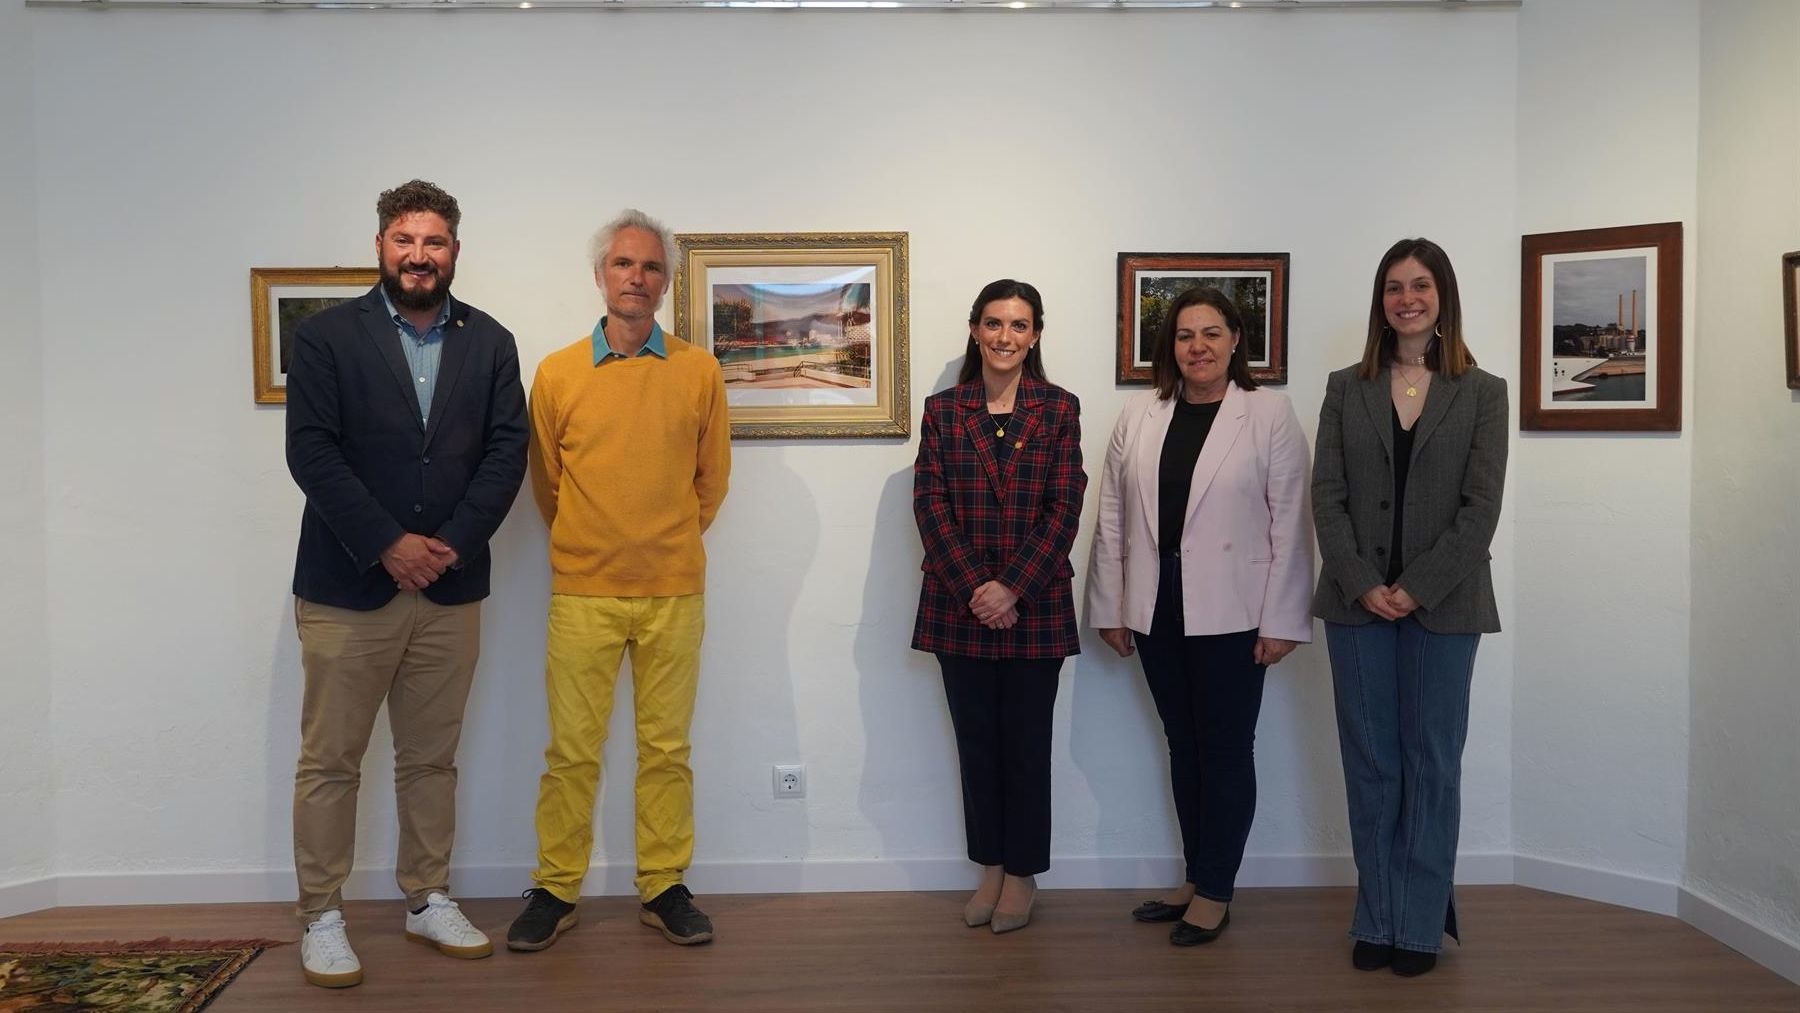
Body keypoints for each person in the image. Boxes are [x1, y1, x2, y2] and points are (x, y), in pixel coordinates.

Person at [285, 179, 528, 988]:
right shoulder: (325, 338)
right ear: (381, 246)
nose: (419, 255)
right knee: (332, 759)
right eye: (404, 239)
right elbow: (312, 453)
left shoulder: (491, 341)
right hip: (348, 584)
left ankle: (427, 897)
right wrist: (389, 543)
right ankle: (321, 914)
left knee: (432, 759)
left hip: (450, 589)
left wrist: (447, 545)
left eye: (434, 241)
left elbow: (506, 455)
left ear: (455, 250)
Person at [508, 209, 731, 952]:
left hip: (674, 590)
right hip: (583, 592)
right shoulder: (558, 372)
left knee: (667, 750)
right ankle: (555, 887)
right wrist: (594, 542)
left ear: (666, 282)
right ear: (600, 275)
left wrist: (661, 538)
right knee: (571, 750)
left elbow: (712, 481)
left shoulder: (698, 371)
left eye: (651, 267)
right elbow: (547, 483)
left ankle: (663, 884)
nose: (637, 278)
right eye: (624, 264)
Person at [1086, 286, 1313, 946]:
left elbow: (1289, 522)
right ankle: (1197, 874)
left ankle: (1216, 888)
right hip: (1157, 611)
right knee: (1183, 746)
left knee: (1224, 748)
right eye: (1186, 335)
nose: (1199, 346)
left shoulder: (1268, 414)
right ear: (1170, 347)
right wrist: (1111, 604)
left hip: (1236, 615)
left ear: (1237, 339)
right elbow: (1111, 518)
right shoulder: (1140, 413)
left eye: (1212, 333)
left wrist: (1282, 619)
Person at [1311, 238, 1507, 977]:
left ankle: (1419, 926)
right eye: (1394, 287)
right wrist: (1362, 580)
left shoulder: (1483, 392)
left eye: (1420, 285)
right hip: (1356, 606)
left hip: (1446, 607)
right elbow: (1325, 495)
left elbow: (1480, 507)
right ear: (1380, 301)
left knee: (1432, 767)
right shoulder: (1345, 386)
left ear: (1443, 296)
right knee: (1372, 766)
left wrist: (1417, 585)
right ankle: (1378, 916)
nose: (1407, 298)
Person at [912, 279, 1086, 935]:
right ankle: (988, 862)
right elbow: (930, 505)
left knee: (1026, 747)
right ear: (975, 330)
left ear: (1035, 334)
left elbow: (1064, 507)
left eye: (1018, 325)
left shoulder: (1060, 409)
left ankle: (1022, 873)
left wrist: (1010, 586)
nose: (1005, 336)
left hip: (1034, 608)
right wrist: (977, 589)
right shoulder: (942, 410)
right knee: (977, 746)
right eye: (993, 323)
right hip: (959, 609)